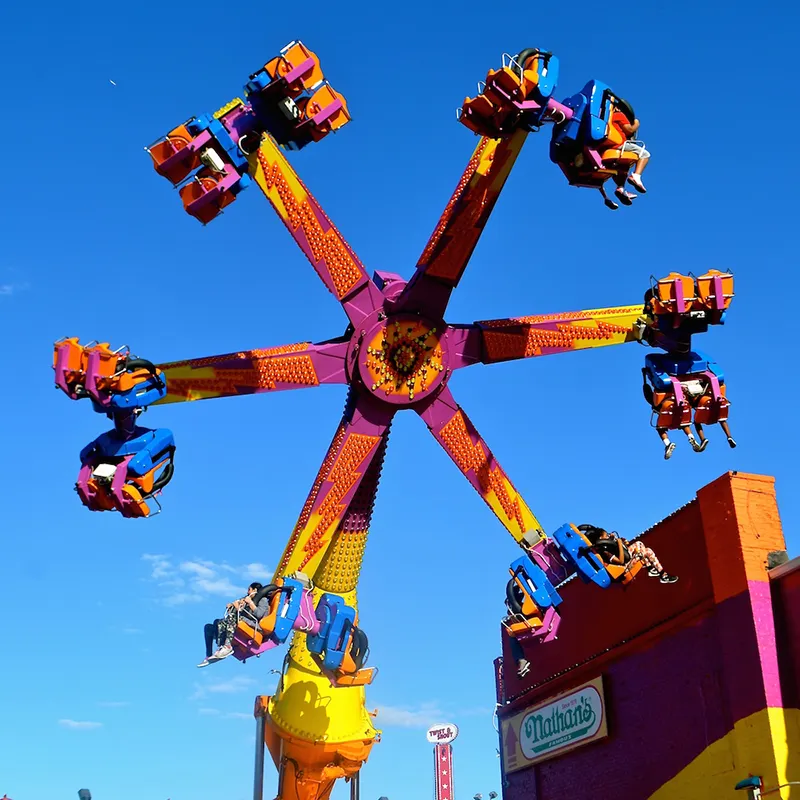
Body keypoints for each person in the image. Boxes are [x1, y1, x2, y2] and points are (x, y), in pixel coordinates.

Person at [197, 582, 273, 668]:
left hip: (254, 626)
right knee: (210, 626)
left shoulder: (262, 600)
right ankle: (209, 654)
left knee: (231, 618)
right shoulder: (246, 601)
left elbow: (259, 614)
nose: (247, 592)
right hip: (243, 621)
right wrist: (233, 607)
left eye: (249, 590)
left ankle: (227, 646)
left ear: (255, 590)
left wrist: (249, 604)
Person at [584, 526, 678, 584]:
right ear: (601, 538)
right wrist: (619, 544)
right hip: (623, 569)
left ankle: (652, 569)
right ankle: (662, 575)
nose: (608, 537)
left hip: (625, 562)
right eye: (606, 536)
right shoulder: (605, 552)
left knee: (640, 544)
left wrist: (621, 544)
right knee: (647, 552)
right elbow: (621, 561)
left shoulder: (607, 548)